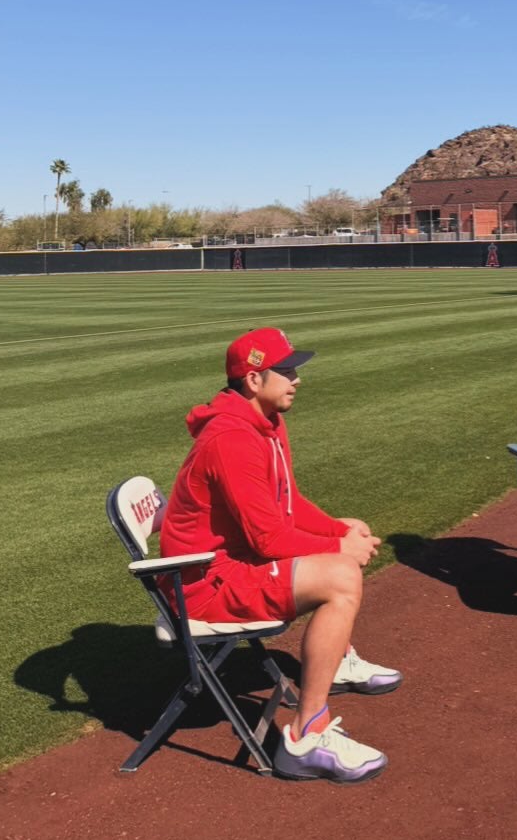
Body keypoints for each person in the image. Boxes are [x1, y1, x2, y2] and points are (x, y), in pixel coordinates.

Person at [159, 326, 399, 783]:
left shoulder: (265, 421)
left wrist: (339, 530)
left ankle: (335, 659)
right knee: (341, 576)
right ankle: (306, 739)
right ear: (253, 380)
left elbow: (287, 503)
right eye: (286, 371)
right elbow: (268, 540)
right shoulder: (231, 438)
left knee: (349, 537)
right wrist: (338, 547)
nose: (297, 379)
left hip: (232, 564)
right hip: (206, 586)